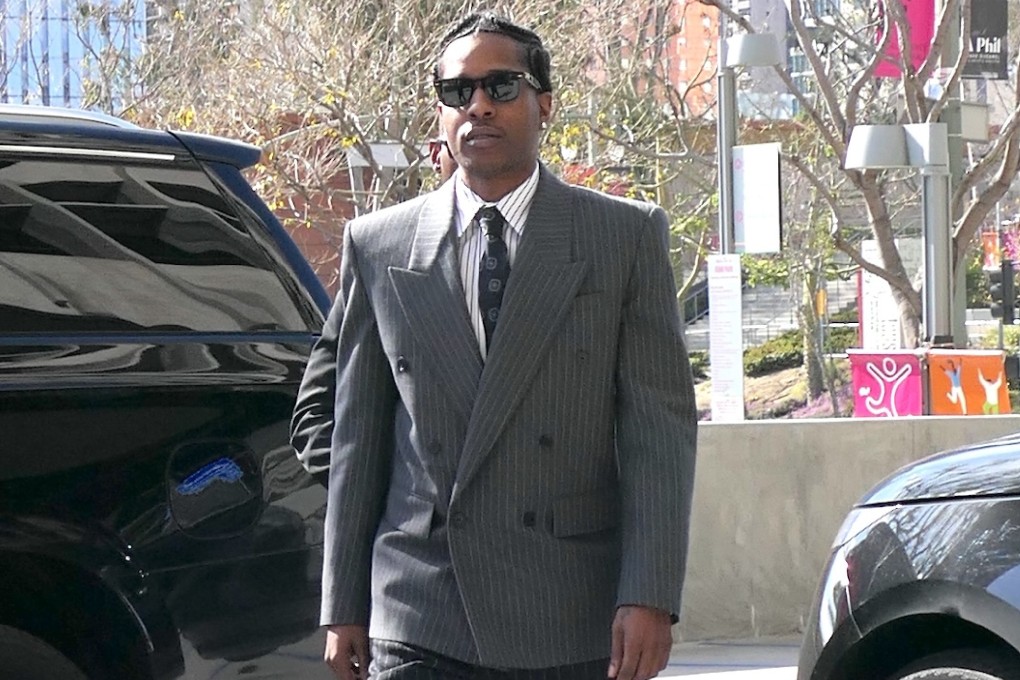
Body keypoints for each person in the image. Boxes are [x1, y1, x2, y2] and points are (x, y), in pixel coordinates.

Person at [291, 11, 697, 680]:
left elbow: (660, 432)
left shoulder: (622, 238)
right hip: (419, 606)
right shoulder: (380, 244)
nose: (478, 105)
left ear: (544, 104)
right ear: (441, 116)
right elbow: (356, 436)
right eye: (458, 92)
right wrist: (343, 605)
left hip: (567, 605)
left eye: (500, 87)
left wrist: (649, 595)